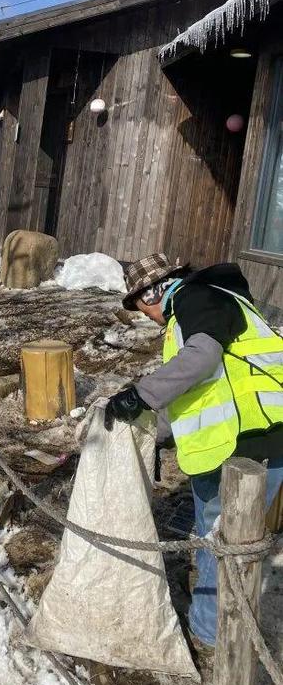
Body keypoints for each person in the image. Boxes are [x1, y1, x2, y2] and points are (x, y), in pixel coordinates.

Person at [104, 253, 283, 646]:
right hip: (256, 436)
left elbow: (202, 359)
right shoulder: (214, 302)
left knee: (221, 545)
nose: (147, 317)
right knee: (228, 541)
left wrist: (141, 396)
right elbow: (205, 390)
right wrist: (156, 431)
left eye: (141, 308)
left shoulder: (193, 298)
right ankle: (221, 625)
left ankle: (210, 634)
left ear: (153, 292)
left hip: (242, 444)